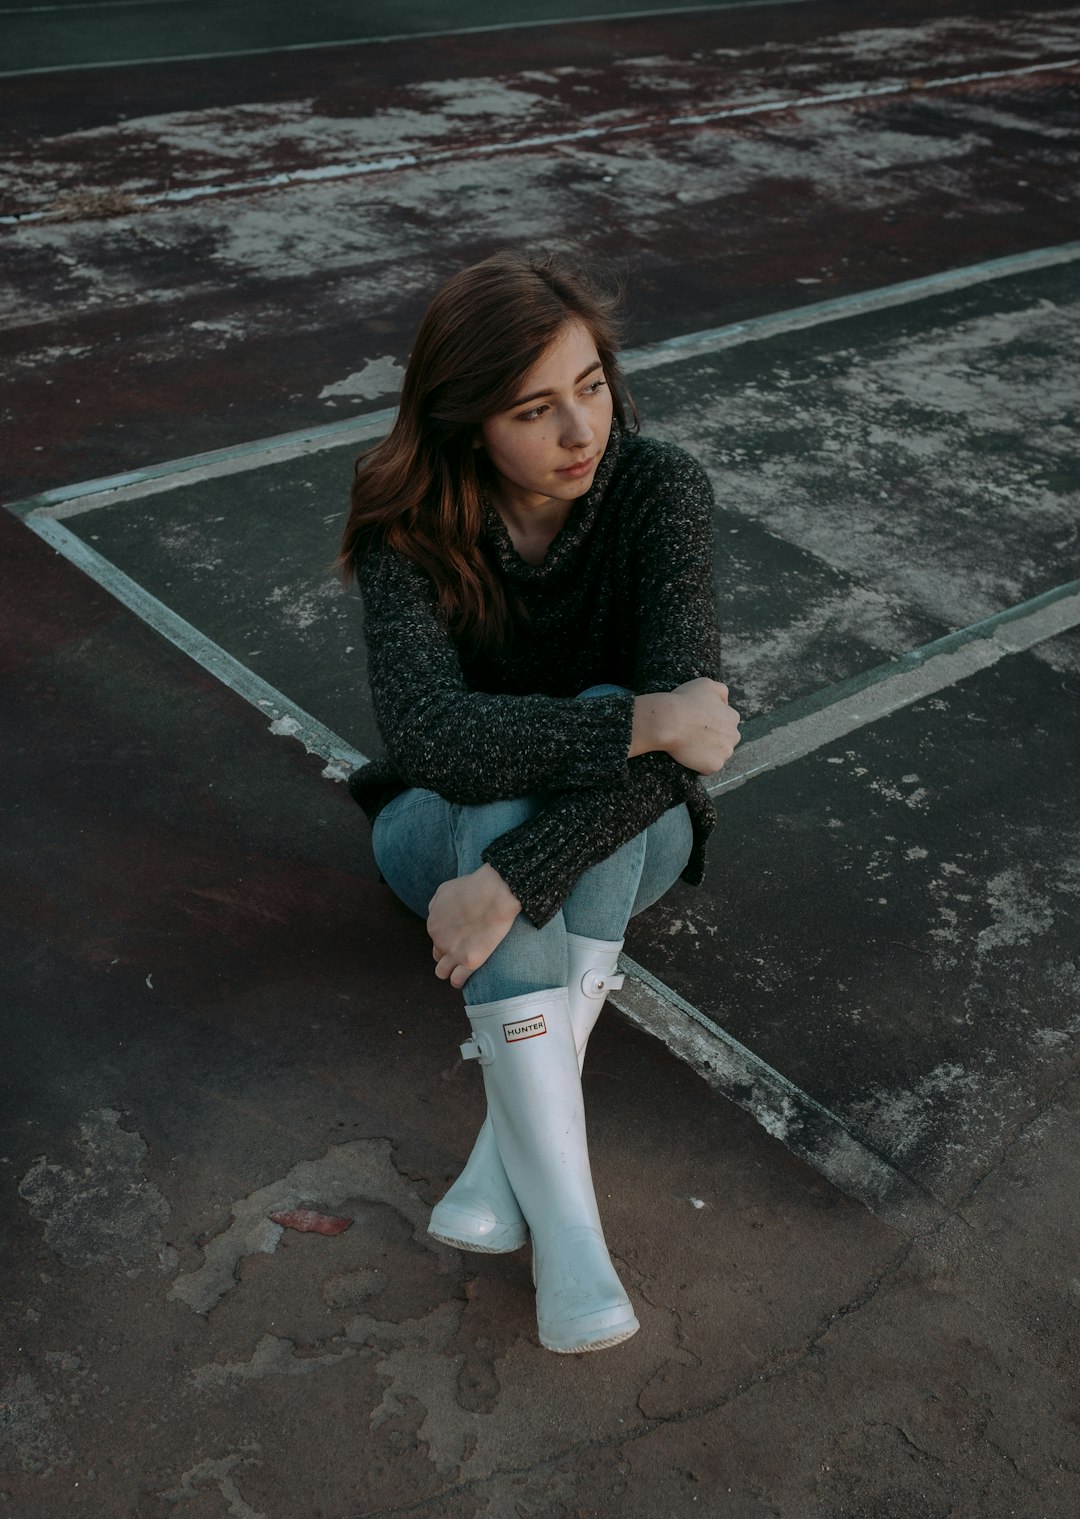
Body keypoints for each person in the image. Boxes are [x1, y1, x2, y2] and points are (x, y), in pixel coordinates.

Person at [338, 247, 741, 1355]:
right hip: (433, 837)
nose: (580, 432)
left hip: (620, 843)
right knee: (512, 769)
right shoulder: (404, 524)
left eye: (592, 386)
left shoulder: (661, 491)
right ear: (467, 419)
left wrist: (514, 880)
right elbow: (435, 741)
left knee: (563, 757)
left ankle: (508, 1182)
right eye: (534, 408)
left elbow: (694, 748)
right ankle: (574, 1234)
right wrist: (639, 721)